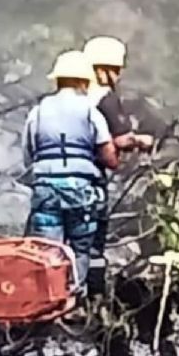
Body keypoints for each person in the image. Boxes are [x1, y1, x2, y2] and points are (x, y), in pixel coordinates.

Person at [23, 50, 119, 295]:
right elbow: (109, 157)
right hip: (81, 192)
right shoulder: (90, 112)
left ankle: (47, 299)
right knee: (80, 249)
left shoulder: (38, 112)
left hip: (46, 192)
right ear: (83, 81)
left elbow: (28, 155)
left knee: (47, 249)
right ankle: (73, 298)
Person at [81, 35, 155, 295]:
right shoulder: (104, 98)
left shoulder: (70, 96)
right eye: (116, 69)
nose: (119, 74)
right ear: (104, 69)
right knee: (90, 241)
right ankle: (91, 295)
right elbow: (119, 139)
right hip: (89, 179)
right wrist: (141, 141)